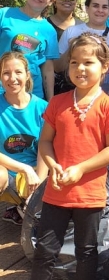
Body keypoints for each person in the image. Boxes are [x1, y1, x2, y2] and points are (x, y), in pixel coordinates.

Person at [31, 33, 109, 280]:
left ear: (104, 66)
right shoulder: (58, 102)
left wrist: (80, 168)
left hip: (89, 194)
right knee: (45, 249)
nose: (80, 68)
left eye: (88, 62)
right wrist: (52, 165)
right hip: (56, 190)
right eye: (74, 62)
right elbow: (44, 141)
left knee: (86, 251)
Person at [0, 52, 48, 226]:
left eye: (18, 72)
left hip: (37, 176)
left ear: (27, 75)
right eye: (6, 73)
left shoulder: (42, 108)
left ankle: (23, 207)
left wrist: (37, 191)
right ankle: (16, 204)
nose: (12, 78)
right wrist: (24, 169)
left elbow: (46, 147)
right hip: (8, 172)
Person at [0, 0, 59, 100]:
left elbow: (48, 68)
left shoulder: (49, 30)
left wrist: (50, 101)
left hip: (31, 94)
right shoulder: (4, 14)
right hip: (2, 89)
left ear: (52, 1)